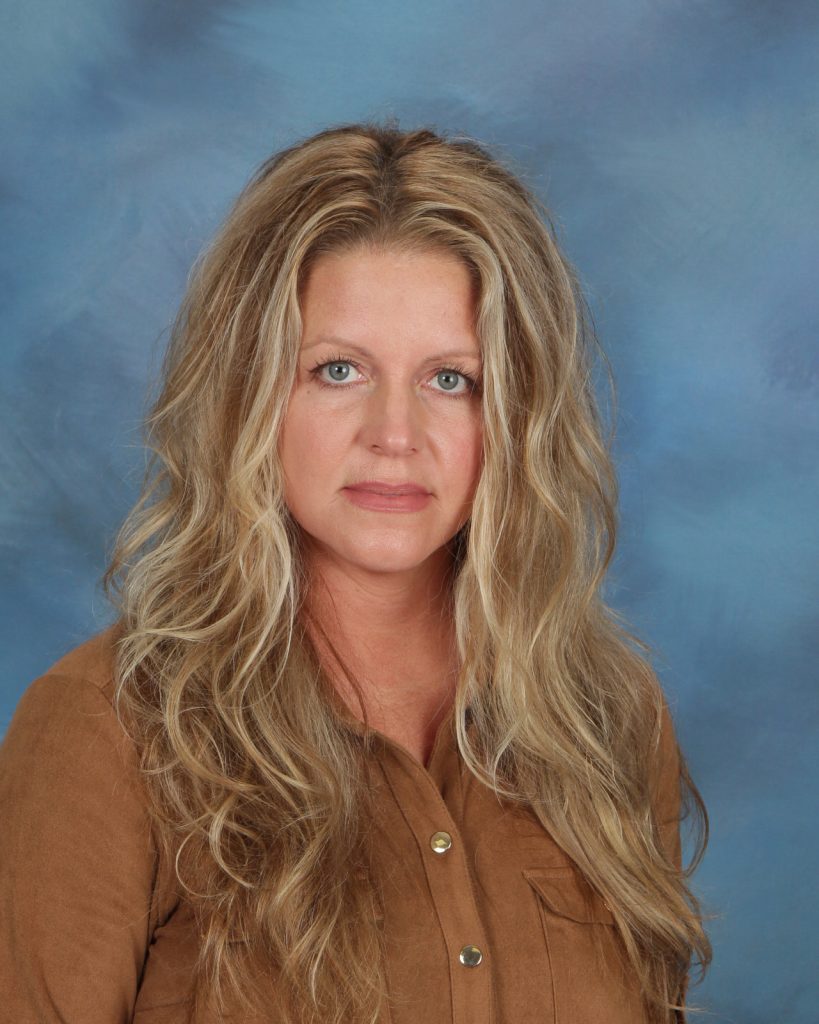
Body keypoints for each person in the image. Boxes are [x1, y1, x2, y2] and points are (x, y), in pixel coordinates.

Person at [0, 122, 712, 1023]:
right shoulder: (106, 732)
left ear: (515, 414)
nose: (394, 434)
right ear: (250, 394)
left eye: (450, 380)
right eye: (337, 370)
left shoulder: (607, 720)